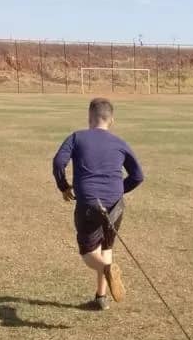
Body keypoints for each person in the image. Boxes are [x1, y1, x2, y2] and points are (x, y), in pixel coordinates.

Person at [52, 98, 144, 310]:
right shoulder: (120, 143)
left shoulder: (77, 137)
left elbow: (58, 162)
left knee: (88, 253)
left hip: (89, 204)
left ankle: (107, 269)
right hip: (116, 205)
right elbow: (138, 176)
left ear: (89, 117)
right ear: (111, 120)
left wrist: (64, 186)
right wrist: (119, 189)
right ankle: (101, 298)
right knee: (106, 246)